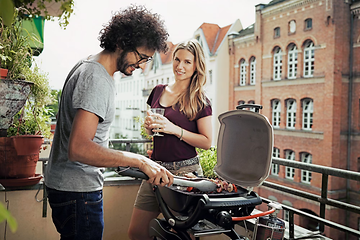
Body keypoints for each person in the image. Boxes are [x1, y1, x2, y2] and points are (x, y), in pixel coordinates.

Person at [44, 5, 174, 240]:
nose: (143, 65)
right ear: (121, 42)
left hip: (66, 187)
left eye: (148, 60)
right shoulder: (97, 78)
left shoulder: (86, 65)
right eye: (142, 57)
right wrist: (139, 160)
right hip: (78, 192)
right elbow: (79, 148)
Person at [128, 39, 213, 240]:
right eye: (177, 59)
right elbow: (152, 131)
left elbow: (207, 142)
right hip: (154, 169)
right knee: (136, 232)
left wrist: (176, 130)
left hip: (185, 174)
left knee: (182, 236)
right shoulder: (158, 90)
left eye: (187, 62)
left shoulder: (200, 100)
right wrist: (149, 128)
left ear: (196, 66)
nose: (180, 66)